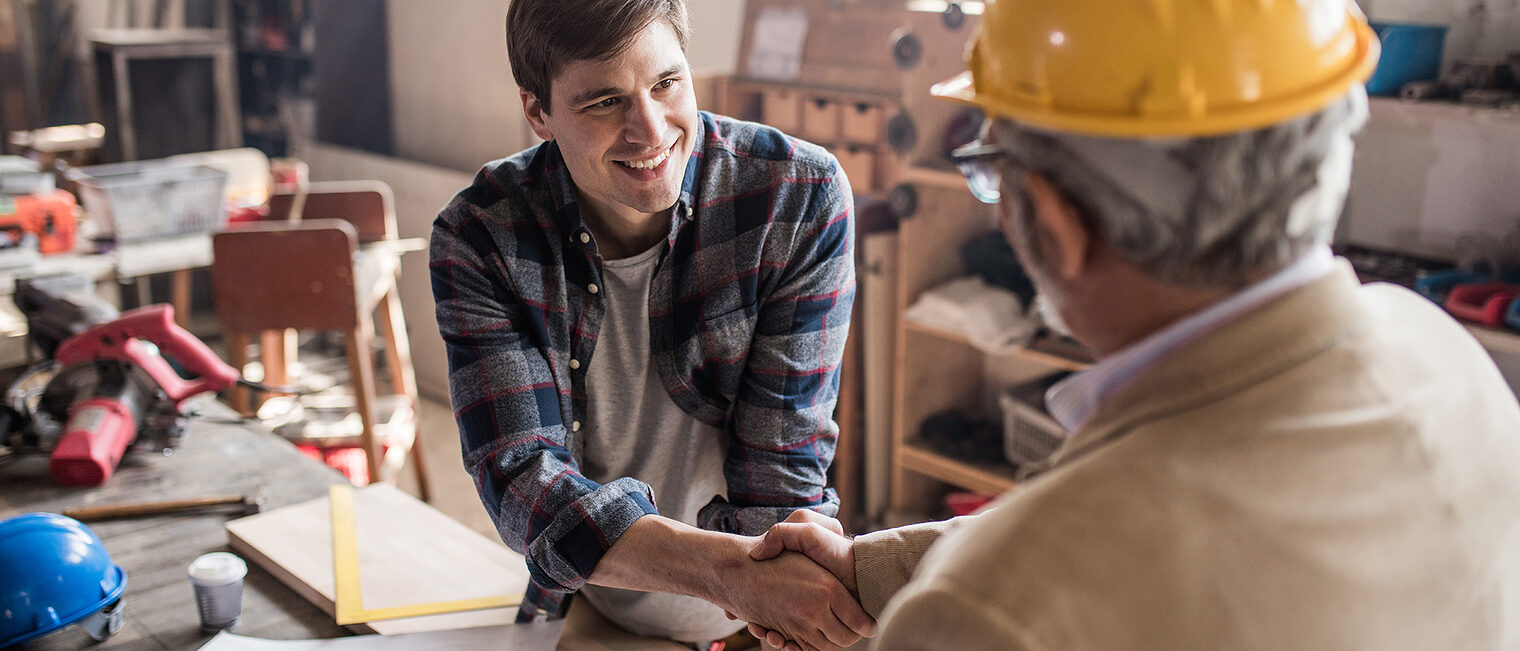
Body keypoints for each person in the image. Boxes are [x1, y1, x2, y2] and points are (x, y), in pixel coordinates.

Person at [744, 0, 1520, 648]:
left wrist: (956, 590)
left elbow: (1075, 566)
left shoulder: (990, 618)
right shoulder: (1447, 356)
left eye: (991, 173)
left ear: (1053, 220)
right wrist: (873, 567)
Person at [428, 0, 871, 648]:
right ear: (537, 111)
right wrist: (728, 576)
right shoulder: (482, 237)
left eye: (666, 83)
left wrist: (758, 600)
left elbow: (782, 474)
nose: (650, 129)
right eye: (604, 103)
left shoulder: (794, 196)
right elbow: (523, 478)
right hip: (593, 606)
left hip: (757, 619)